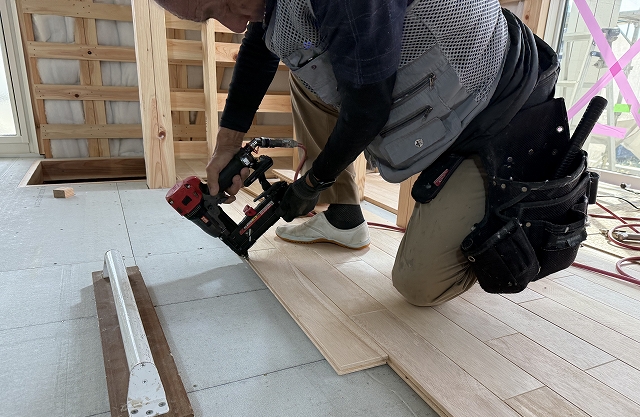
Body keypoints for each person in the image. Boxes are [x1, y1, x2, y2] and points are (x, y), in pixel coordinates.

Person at [154, 0, 564, 306]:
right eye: (212, 16)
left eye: (221, 6)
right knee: (305, 72)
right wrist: (227, 143)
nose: (232, 22)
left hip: (493, 110)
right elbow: (262, 41)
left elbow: (368, 109)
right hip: (432, 92)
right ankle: (344, 216)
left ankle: (497, 208)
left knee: (419, 286)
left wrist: (314, 182)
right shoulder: (271, 5)